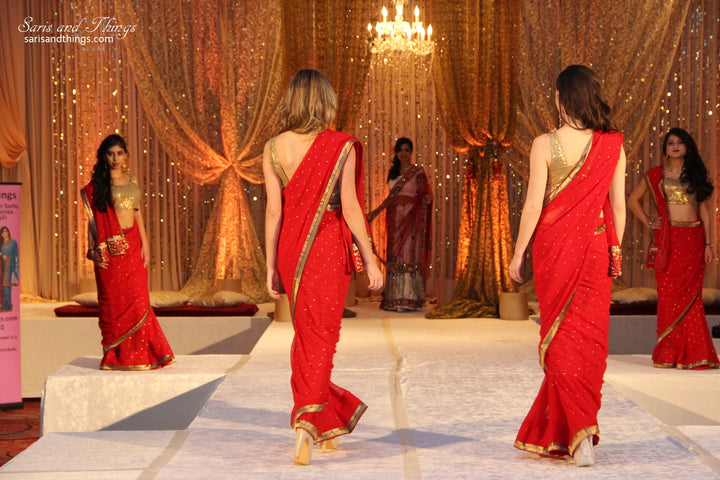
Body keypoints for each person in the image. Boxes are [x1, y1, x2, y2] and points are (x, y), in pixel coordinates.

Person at [508, 65, 626, 467]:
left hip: (554, 249)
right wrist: (614, 250)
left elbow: (533, 206)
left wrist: (518, 252)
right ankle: (582, 430)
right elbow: (619, 208)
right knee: (589, 340)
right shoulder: (612, 144)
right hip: (595, 250)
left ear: (561, 99)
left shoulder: (544, 144)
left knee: (560, 340)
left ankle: (576, 434)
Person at [263, 69, 383, 465]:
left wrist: (270, 267)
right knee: (322, 340)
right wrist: (370, 258)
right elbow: (349, 207)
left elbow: (274, 212)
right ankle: (307, 423)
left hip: (289, 251)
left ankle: (327, 417)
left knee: (306, 338)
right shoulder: (340, 145)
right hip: (327, 247)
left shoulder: (271, 149)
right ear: (325, 102)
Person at [81, 134, 174, 371]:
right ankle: (116, 356)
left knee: (138, 301)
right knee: (115, 303)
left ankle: (145, 354)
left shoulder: (130, 179)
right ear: (104, 156)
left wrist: (146, 244)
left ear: (126, 155)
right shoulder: (98, 187)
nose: (115, 158)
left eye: (120, 153)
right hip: (111, 254)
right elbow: (93, 223)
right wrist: (95, 249)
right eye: (111, 153)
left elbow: (137, 213)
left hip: (133, 246)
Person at [628, 127, 719, 370]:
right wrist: (649, 222)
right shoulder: (656, 174)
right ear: (665, 150)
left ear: (687, 146)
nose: (675, 146)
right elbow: (632, 200)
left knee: (692, 299)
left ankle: (696, 354)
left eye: (680, 142)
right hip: (670, 241)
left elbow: (704, 211)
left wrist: (709, 244)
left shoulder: (694, 176)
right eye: (670, 143)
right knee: (669, 298)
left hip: (694, 240)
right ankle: (670, 353)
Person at [367, 138, 432, 311]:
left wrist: (425, 199)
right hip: (395, 219)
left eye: (407, 150)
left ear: (411, 152)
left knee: (409, 255)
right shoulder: (392, 173)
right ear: (396, 152)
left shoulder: (418, 172)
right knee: (395, 255)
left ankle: (409, 298)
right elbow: (390, 198)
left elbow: (425, 194)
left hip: (412, 219)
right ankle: (394, 298)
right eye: (400, 150)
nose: (403, 154)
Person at [0, 226, 18, 311]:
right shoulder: (1, 243)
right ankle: (4, 305)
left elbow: (16, 255)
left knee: (6, 286)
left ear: (8, 232)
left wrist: (7, 257)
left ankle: (8, 305)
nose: (4, 233)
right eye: (2, 232)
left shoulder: (13, 242)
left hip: (9, 266)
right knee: (2, 287)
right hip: (1, 267)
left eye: (5, 231)